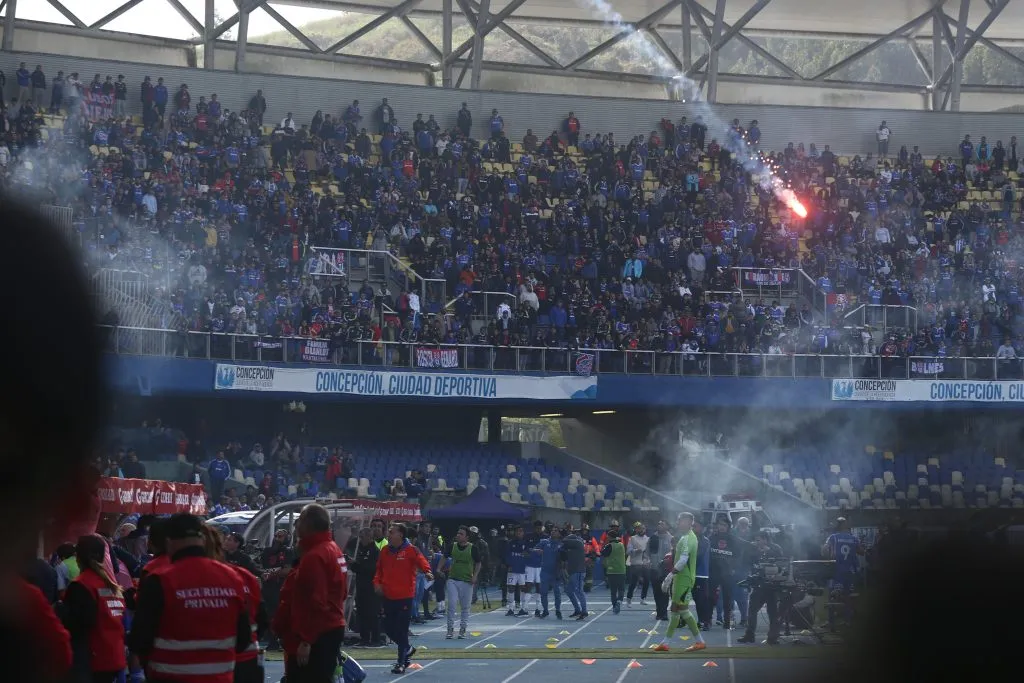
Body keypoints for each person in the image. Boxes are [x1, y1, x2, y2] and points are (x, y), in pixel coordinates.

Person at [127, 513, 251, 683]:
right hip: (219, 678)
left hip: (169, 676)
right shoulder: (232, 577)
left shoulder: (160, 579)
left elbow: (140, 639)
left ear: (169, 542)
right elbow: (243, 638)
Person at [201, 526, 268, 683]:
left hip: (209, 662)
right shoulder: (245, 578)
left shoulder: (181, 577)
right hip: (244, 657)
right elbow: (262, 619)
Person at [289, 504, 348, 683]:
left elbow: (316, 601)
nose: (297, 525)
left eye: (300, 521)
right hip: (331, 625)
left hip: (318, 632)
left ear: (308, 524)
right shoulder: (333, 548)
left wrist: (306, 640)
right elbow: (342, 592)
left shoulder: (314, 556)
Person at [62, 534, 127, 683]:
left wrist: (60, 612)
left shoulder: (81, 584)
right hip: (112, 657)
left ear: (78, 556)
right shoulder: (112, 586)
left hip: (91, 659)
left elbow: (78, 624)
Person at [374, 522, 433, 674]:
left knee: (401, 629)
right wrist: (376, 583)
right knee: (388, 628)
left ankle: (401, 662)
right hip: (388, 595)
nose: (388, 534)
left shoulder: (411, 550)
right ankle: (408, 649)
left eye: (391, 531)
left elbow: (422, 561)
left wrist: (427, 571)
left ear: (400, 534)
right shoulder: (385, 551)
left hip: (405, 596)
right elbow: (379, 570)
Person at [653, 512, 705, 652]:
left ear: (689, 522)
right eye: (678, 520)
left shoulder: (688, 538)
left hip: (684, 579)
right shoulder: (685, 537)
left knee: (682, 609)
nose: (678, 523)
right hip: (681, 578)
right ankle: (666, 643)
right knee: (675, 609)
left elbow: (683, 560)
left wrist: (669, 575)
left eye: (681, 520)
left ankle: (699, 641)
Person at [738, 531, 784, 645]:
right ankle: (750, 634)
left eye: (758, 540)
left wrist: (768, 553)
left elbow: (782, 564)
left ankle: (773, 637)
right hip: (758, 584)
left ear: (765, 539)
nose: (756, 542)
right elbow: (746, 562)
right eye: (755, 540)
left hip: (773, 585)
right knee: (752, 610)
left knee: (773, 612)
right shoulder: (752, 549)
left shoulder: (776, 548)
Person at [444, 525, 481, 639]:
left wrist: (475, 576)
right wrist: (438, 569)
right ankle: (450, 629)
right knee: (452, 604)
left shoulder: (473, 548)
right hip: (453, 579)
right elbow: (444, 557)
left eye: (461, 534)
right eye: (458, 533)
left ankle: (462, 629)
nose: (458, 535)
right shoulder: (452, 546)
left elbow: (479, 563)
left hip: (467, 581)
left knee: (465, 607)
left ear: (467, 537)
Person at [349, 527, 383, 647]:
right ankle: (364, 638)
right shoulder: (360, 550)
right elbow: (358, 568)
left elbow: (372, 569)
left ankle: (376, 639)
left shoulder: (374, 551)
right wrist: (352, 564)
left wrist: (357, 564)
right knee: (361, 612)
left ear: (369, 537)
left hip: (371, 587)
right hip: (361, 586)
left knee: (372, 613)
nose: (361, 539)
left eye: (362, 537)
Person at [536, 526, 564, 619]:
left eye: (556, 531)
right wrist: (537, 551)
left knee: (557, 592)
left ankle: (558, 610)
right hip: (545, 571)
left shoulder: (562, 543)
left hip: (556, 572)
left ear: (559, 534)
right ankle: (545, 610)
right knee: (543, 592)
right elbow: (534, 549)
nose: (553, 532)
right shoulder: (544, 542)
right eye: (552, 531)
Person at [560, 527, 588, 620]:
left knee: (579, 591)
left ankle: (584, 611)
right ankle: (577, 610)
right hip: (573, 572)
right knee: (568, 590)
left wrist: (563, 537)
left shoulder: (578, 542)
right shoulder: (571, 546)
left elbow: (564, 541)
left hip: (578, 571)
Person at [600, 529, 627, 613]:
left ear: (610, 536)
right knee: (621, 589)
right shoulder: (621, 545)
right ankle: (619, 601)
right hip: (622, 570)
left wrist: (603, 547)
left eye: (608, 535)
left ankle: (615, 606)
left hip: (612, 571)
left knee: (613, 591)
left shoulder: (609, 546)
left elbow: (604, 553)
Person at [504, 525, 528, 616]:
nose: (519, 533)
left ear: (523, 533)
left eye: (521, 531)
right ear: (515, 532)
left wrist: (526, 557)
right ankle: (511, 608)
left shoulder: (526, 543)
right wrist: (509, 564)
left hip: (522, 570)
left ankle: (523, 608)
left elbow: (528, 555)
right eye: (517, 531)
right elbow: (507, 555)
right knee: (510, 588)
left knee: (523, 588)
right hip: (512, 569)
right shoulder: (510, 543)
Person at [625, 523, 651, 606]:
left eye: (643, 529)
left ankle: (643, 598)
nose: (641, 530)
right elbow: (628, 551)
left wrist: (648, 558)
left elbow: (649, 551)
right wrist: (636, 551)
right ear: (636, 530)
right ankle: (629, 599)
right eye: (640, 529)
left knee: (646, 580)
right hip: (635, 563)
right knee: (633, 582)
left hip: (645, 563)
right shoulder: (632, 538)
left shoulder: (648, 539)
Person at [523, 520, 544, 616]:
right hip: (530, 565)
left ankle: (538, 608)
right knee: (528, 585)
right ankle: (525, 608)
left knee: (539, 586)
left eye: (540, 528)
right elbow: (525, 550)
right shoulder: (528, 536)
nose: (538, 530)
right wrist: (534, 551)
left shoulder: (545, 537)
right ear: (534, 528)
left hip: (541, 566)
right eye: (537, 528)